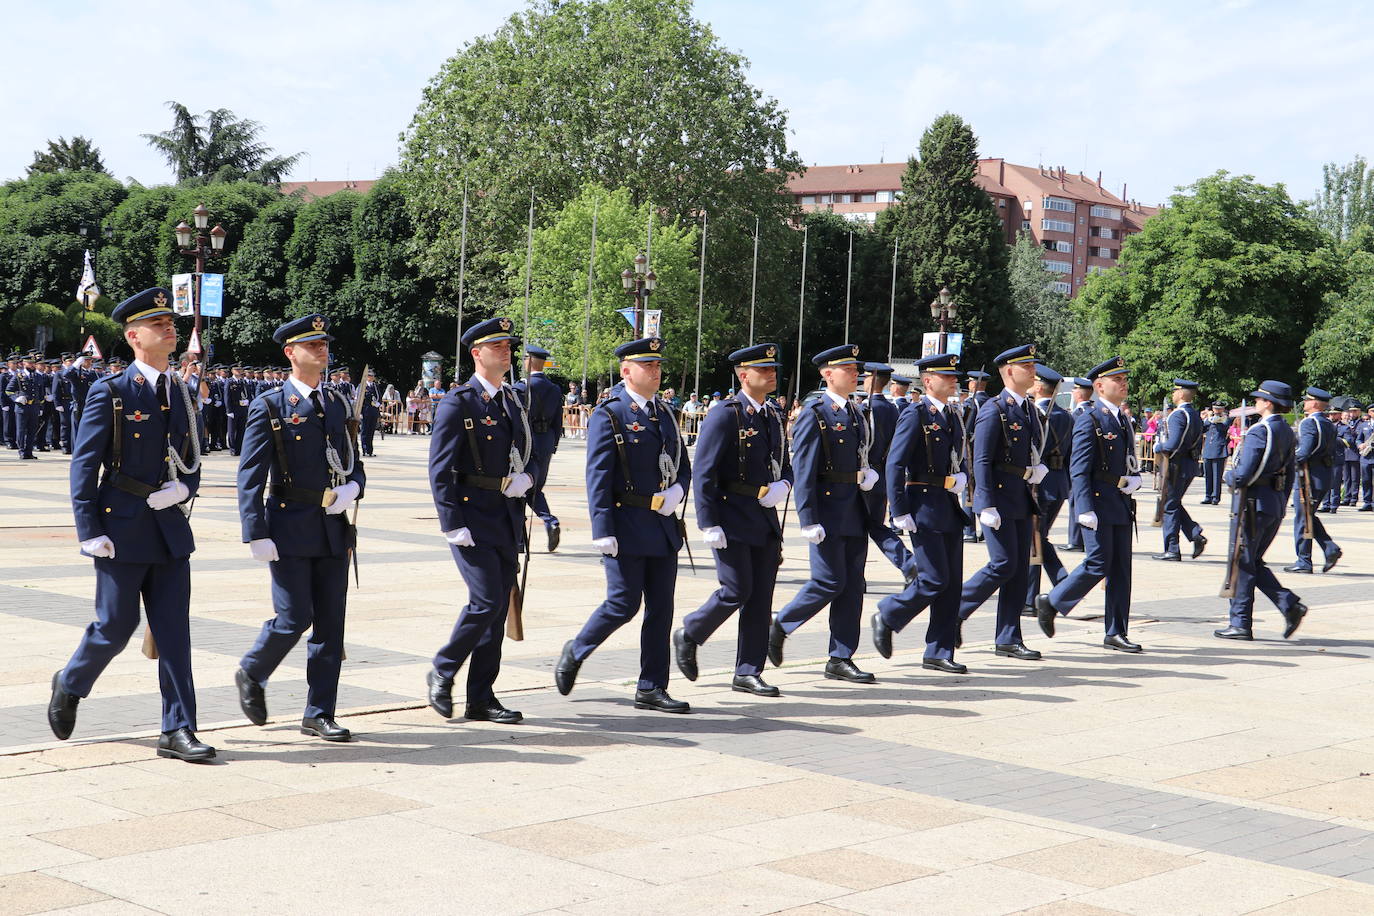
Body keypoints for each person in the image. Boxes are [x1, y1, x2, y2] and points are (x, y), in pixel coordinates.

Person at [49, 288, 213, 761]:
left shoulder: (179, 391)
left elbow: (193, 456)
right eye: (157, 324)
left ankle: (178, 729)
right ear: (133, 336)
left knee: (173, 632)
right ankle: (72, 681)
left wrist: (186, 489)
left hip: (169, 528)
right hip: (120, 526)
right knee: (116, 627)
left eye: (170, 322)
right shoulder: (114, 391)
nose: (169, 329)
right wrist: (88, 531)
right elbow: (84, 464)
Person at [233, 314, 365, 742]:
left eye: (325, 343)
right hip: (288, 525)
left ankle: (319, 712)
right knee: (294, 618)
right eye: (312, 345)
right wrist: (255, 530)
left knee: (331, 624)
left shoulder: (339, 403)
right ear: (291, 353)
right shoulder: (270, 405)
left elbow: (355, 464)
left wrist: (354, 488)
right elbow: (250, 475)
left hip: (332, 527)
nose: (322, 350)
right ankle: (253, 670)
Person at [556, 337, 692, 712]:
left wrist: (679, 490)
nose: (655, 370)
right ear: (626, 371)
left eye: (657, 365)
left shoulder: (663, 413)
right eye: (647, 365)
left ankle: (651, 686)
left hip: (662, 525)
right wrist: (602, 529)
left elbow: (681, 462)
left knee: (661, 609)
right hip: (626, 523)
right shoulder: (610, 414)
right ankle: (577, 649)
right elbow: (598, 476)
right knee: (623, 604)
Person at [425, 317, 538, 724]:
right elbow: (440, 468)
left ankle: (481, 697)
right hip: (471, 516)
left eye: (509, 345)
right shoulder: (460, 401)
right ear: (477, 353)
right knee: (486, 599)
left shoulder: (513, 400)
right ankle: (444, 666)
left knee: (495, 610)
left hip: (505, 516)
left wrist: (528, 479)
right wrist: (451, 521)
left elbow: (531, 451)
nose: (506, 351)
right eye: (498, 346)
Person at [675, 343, 792, 696]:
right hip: (731, 516)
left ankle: (747, 670)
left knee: (761, 598)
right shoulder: (726, 414)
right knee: (736, 590)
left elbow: (784, 462)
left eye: (773, 369)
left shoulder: (771, 415)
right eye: (764, 370)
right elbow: (705, 471)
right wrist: (708, 522)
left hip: (764, 517)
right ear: (744, 375)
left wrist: (784, 483)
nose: (772, 374)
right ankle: (691, 632)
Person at [768, 343, 880, 683]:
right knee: (829, 581)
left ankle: (840, 657)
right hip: (828, 509)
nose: (855, 374)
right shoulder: (815, 413)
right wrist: (807, 517)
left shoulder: (856, 412)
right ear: (827, 374)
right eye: (848, 369)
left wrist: (867, 474)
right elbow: (803, 468)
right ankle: (781, 624)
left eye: (856, 369)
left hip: (854, 508)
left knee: (852, 586)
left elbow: (860, 453)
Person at [1034, 356, 1144, 651]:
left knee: (1122, 571)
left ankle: (1116, 631)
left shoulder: (1122, 419)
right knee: (1097, 563)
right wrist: (1083, 508)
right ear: (1099, 386)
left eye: (1124, 379)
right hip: (1096, 503)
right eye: (1116, 380)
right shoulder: (1090, 419)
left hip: (1120, 502)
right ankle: (1052, 601)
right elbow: (1079, 468)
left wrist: (1133, 479)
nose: (1123, 384)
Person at [870, 353, 968, 671]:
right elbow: (895, 463)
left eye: (955, 376)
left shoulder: (952, 414)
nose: (954, 380)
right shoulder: (916, 414)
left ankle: (939, 652)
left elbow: (956, 456)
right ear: (928, 381)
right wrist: (898, 509)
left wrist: (962, 476)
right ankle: (888, 613)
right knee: (933, 579)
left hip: (948, 505)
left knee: (952, 584)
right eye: (947, 376)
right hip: (922, 505)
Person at [956, 344, 1047, 660]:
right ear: (1009, 371)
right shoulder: (994, 409)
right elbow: (979, 459)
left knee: (1019, 570)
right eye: (1027, 366)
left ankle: (1008, 636)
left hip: (1020, 496)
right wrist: (984, 503)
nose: (1033, 370)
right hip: (997, 497)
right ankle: (956, 609)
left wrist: (1034, 469)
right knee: (1003, 564)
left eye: (1033, 365)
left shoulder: (1027, 409)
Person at [1216, 381, 1307, 641]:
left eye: (1259, 399)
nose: (1255, 402)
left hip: (1252, 504)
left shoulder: (1260, 430)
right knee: (1252, 561)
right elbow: (1290, 473)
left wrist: (1230, 477)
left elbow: (1245, 474)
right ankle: (1288, 605)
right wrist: (1280, 501)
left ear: (1268, 403)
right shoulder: (1287, 430)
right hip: (1272, 504)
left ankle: (1240, 623)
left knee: (1242, 562)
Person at [857, 362, 916, 583]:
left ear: (871, 380)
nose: (862, 381)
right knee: (876, 526)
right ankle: (907, 562)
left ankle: (857, 578)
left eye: (864, 378)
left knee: (859, 529)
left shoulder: (865, 408)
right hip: (883, 476)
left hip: (865, 477)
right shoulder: (895, 409)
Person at [1023, 365, 1073, 618]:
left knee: (1034, 541)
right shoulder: (1066, 416)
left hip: (1038, 485)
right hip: (1059, 483)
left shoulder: (1034, 414)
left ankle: (1031, 600)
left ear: (1040, 387)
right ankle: (1064, 584)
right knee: (1039, 538)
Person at [1284, 387, 1342, 574]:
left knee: (1302, 518)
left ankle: (1304, 561)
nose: (1305, 404)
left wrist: (1287, 457)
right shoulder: (1328, 423)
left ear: (1315, 403)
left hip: (1308, 476)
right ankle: (1330, 549)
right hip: (1323, 475)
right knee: (1308, 516)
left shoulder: (1309, 423)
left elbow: (1305, 451)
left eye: (1308, 401)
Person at [514, 344, 564, 552]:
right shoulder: (554, 389)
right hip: (546, 441)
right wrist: (552, 445)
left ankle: (520, 540)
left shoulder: (521, 387)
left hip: (527, 442)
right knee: (535, 488)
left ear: (529, 361)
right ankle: (549, 522)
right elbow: (558, 421)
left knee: (521, 489)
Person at [1153, 380, 1207, 562]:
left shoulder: (1178, 415)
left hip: (1176, 466)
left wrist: (1159, 447)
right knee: (1173, 503)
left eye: (1175, 390)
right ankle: (1194, 533)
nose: (1173, 394)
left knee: (1169, 506)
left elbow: (1173, 444)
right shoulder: (1195, 414)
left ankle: (1172, 549)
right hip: (1189, 465)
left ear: (1182, 394)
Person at [1062, 377, 1096, 552]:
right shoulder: (1094, 412)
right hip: (1092, 466)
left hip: (1076, 464)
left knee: (1076, 499)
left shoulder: (1077, 415)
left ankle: (1075, 540)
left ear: (1078, 393)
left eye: (1075, 389)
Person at [5, 351, 46, 459]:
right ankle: (22, 451)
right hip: (22, 407)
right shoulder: (18, 376)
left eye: (33, 363)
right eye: (30, 363)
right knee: (21, 430)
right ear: (24, 364)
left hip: (34, 407)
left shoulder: (38, 376)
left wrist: (41, 406)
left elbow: (41, 393)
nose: (32, 365)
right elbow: (9, 391)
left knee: (32, 430)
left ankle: (29, 451)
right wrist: (16, 398)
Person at [1201, 401, 1229, 505]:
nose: (1216, 410)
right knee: (1208, 474)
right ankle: (1208, 496)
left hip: (1219, 449)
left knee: (1217, 475)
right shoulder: (1209, 419)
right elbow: (1202, 429)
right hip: (1208, 449)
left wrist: (1209, 418)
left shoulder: (1225, 418)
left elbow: (1223, 426)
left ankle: (1215, 497)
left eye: (1218, 408)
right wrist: (1204, 418)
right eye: (1215, 408)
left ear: (1222, 409)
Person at [359, 369, 382, 457]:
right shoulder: (362, 386)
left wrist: (378, 403)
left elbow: (379, 396)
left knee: (371, 431)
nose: (371, 377)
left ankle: (370, 450)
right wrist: (360, 412)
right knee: (365, 431)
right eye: (369, 376)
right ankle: (364, 449)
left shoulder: (375, 386)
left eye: (372, 376)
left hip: (373, 411)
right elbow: (360, 400)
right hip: (365, 411)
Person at [1357, 405, 1374, 511]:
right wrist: (1360, 444)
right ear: (1369, 412)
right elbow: (1358, 439)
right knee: (1366, 480)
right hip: (1366, 457)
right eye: (1373, 411)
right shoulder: (1364, 425)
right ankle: (1367, 502)